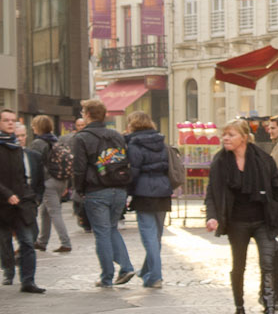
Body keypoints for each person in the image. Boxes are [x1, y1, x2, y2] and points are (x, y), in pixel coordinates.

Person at [204, 119, 278, 314]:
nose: (225, 138)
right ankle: (239, 309)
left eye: (231, 134)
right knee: (239, 267)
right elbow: (212, 193)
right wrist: (212, 216)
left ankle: (269, 311)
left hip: (263, 219)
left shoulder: (262, 159)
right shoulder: (220, 161)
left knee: (268, 264)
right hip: (237, 221)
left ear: (244, 137)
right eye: (224, 134)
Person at [55, 99, 137, 288]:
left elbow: (79, 168)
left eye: (83, 112)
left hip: (97, 189)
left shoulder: (81, 138)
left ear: (88, 114)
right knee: (111, 228)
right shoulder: (116, 135)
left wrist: (79, 190)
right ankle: (125, 267)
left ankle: (107, 276)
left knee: (101, 233)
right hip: (119, 188)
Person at [125, 111, 173, 289]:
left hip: (144, 193)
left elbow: (134, 172)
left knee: (149, 236)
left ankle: (155, 277)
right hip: (163, 190)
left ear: (133, 124)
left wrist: (129, 192)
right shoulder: (161, 142)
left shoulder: (134, 145)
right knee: (157, 236)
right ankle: (148, 272)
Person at [0, 109, 43, 293]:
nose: (10, 123)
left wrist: (30, 199)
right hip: (2, 204)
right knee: (4, 242)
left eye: (12, 121)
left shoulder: (16, 146)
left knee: (27, 241)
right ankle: (8, 272)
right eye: (6, 120)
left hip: (22, 203)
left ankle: (28, 281)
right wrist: (7, 193)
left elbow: (23, 176)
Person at [30, 115, 69, 253]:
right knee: (45, 212)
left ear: (38, 127)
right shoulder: (54, 140)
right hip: (60, 180)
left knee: (54, 212)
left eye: (34, 125)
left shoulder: (38, 143)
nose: (32, 127)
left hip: (48, 181)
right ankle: (42, 242)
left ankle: (66, 242)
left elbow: (35, 164)